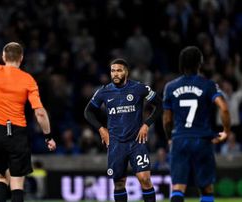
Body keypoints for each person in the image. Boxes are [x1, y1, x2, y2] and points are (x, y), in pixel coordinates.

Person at [0, 14, 56, 202]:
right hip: (17, 133)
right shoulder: (28, 80)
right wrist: (48, 136)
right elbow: (40, 112)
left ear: (3, 57)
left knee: (1, 178)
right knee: (17, 183)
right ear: (21, 58)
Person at [84, 58, 162, 202]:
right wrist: (101, 129)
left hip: (136, 142)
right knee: (119, 183)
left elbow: (159, 105)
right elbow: (88, 112)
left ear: (126, 72)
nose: (115, 74)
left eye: (119, 70)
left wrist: (146, 124)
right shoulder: (104, 92)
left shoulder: (139, 88)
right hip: (116, 144)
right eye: (113, 71)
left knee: (144, 179)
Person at [163, 46, 231, 202]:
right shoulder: (208, 85)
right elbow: (224, 109)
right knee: (206, 189)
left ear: (181, 64)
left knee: (178, 188)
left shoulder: (170, 87)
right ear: (199, 63)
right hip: (202, 140)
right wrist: (226, 131)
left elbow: (167, 119)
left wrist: (169, 138)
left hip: (180, 139)